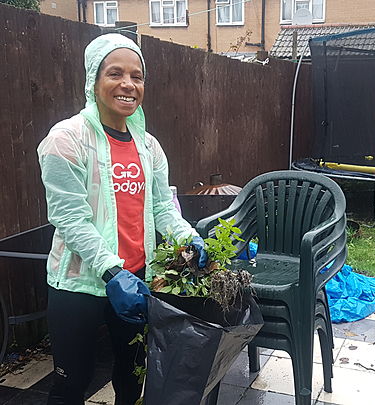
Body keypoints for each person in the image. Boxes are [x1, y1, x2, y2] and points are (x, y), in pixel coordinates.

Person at [37, 33, 207, 404]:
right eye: (115, 73)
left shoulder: (148, 145)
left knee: (132, 378)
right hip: (78, 284)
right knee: (71, 383)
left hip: (136, 281)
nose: (128, 84)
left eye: (137, 76)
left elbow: (163, 206)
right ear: (93, 81)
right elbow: (70, 217)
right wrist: (112, 271)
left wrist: (188, 237)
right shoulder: (66, 139)